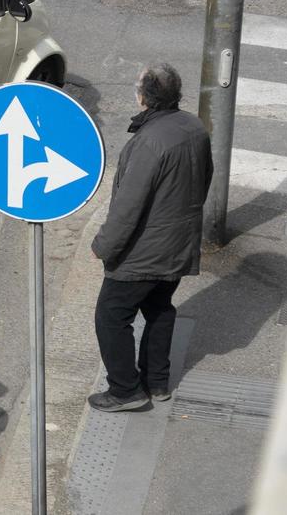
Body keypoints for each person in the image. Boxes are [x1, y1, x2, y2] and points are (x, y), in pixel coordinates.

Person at [87, 62, 213, 412]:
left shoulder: (149, 143)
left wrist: (103, 245)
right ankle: (157, 383)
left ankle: (125, 390)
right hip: (179, 245)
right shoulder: (194, 127)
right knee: (159, 307)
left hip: (145, 252)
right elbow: (204, 179)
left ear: (144, 97)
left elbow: (128, 206)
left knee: (111, 315)